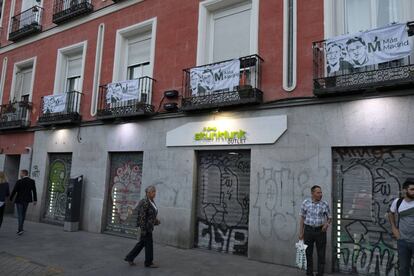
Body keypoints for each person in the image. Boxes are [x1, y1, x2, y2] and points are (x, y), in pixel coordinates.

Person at [299, 185, 332, 276]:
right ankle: (309, 273)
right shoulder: (305, 203)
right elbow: (302, 218)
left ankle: (320, 273)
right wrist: (301, 232)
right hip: (308, 230)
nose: (320, 194)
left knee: (321, 254)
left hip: (320, 231)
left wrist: (326, 224)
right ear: (312, 193)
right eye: (318, 192)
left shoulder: (324, 204)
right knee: (308, 253)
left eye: (321, 192)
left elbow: (329, 217)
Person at [124, 185, 160, 268]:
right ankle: (148, 262)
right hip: (146, 228)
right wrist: (143, 229)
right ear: (148, 193)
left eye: (155, 192)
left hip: (149, 226)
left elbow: (150, 214)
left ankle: (130, 257)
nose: (155, 193)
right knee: (148, 244)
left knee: (142, 244)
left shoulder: (151, 201)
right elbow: (142, 217)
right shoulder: (145, 202)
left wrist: (155, 221)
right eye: (153, 192)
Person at [388, 178, 414, 276]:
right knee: (403, 268)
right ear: (404, 190)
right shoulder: (398, 202)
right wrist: (394, 229)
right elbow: (391, 213)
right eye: (412, 189)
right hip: (403, 242)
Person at [10, 169, 37, 235]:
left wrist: (11, 198)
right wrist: (35, 200)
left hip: (19, 200)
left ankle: (20, 229)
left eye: (21, 173)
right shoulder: (32, 181)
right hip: (27, 200)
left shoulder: (19, 181)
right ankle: (21, 228)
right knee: (23, 214)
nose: (20, 174)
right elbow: (34, 191)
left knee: (20, 215)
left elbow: (14, 190)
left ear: (24, 174)